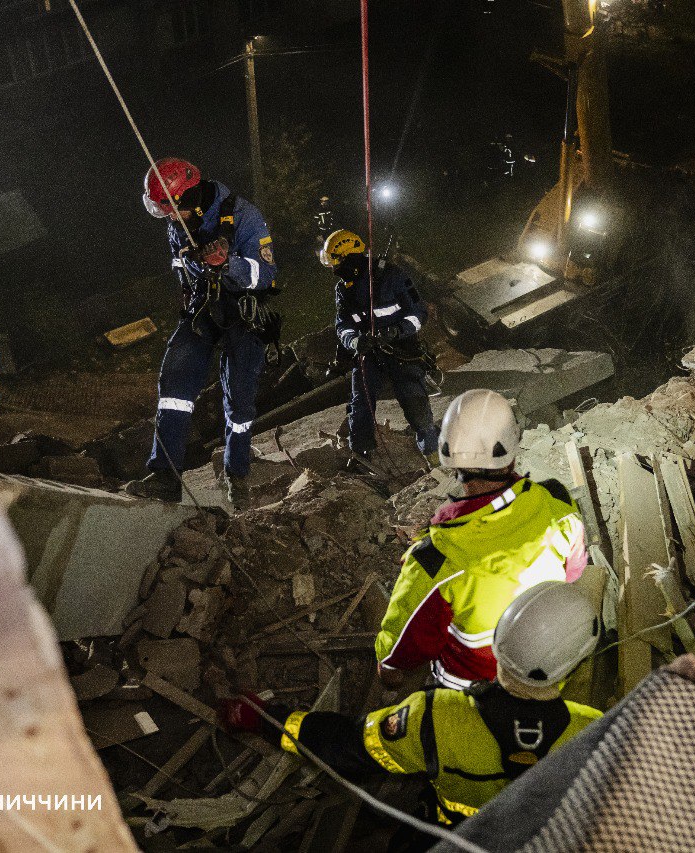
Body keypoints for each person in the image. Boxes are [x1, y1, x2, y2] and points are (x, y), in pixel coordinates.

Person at [219, 581, 604, 829]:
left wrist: (266, 719)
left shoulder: (435, 716)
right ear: (579, 663)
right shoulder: (600, 735)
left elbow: (348, 746)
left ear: (496, 641)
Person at [376, 389, 588, 690]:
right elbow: (574, 574)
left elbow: (396, 659)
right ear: (512, 451)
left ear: (452, 458)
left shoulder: (436, 560)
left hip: (470, 698)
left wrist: (387, 671)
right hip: (546, 680)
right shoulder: (558, 504)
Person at [126, 157, 277, 502]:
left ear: (185, 197)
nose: (168, 218)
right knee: (175, 381)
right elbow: (183, 270)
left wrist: (230, 263)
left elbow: (266, 275)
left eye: (169, 210)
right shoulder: (178, 222)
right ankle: (165, 476)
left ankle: (237, 472)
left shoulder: (243, 216)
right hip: (203, 309)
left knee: (239, 398)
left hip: (244, 311)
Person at [321, 228, 439, 462]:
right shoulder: (343, 290)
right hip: (368, 353)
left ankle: (432, 451)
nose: (333, 268)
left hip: (401, 349)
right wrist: (355, 341)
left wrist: (397, 330)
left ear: (349, 258)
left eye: (336, 261)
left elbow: (418, 313)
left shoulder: (393, 276)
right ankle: (361, 454)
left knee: (414, 399)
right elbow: (342, 325)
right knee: (361, 404)